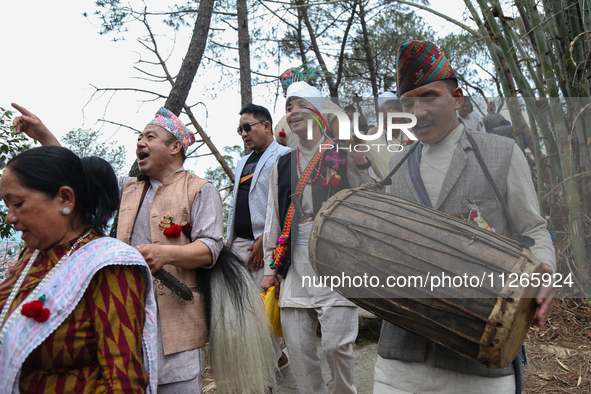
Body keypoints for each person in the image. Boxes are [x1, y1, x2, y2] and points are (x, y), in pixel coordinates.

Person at [373, 40, 556, 394]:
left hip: (479, 360)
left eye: (428, 97)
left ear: (457, 97)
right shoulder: (395, 165)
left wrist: (544, 271)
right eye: (407, 103)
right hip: (399, 364)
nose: (417, 111)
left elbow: (533, 228)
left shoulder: (501, 154)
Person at [11, 104, 224, 393]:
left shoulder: (200, 188)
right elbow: (76, 176)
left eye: (149, 137)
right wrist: (43, 134)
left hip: (177, 324)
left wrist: (166, 253)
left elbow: (210, 248)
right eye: (139, 138)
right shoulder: (127, 186)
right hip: (124, 317)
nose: (140, 142)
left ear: (175, 146)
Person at [0, 146, 157, 393]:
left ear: (65, 199)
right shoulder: (31, 255)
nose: (9, 217)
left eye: (18, 204)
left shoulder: (109, 267)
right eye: (6, 205)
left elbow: (123, 382)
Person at [261, 81, 375, 394]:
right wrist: (271, 269)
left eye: (301, 105)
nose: (293, 111)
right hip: (293, 260)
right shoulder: (281, 163)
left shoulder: (340, 153)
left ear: (319, 114)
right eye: (288, 107)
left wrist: (362, 160)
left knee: (337, 345)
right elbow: (273, 216)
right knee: (297, 349)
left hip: (335, 256)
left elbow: (373, 193)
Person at [226, 103, 290, 369]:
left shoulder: (285, 155)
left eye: (247, 127)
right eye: (239, 129)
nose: (243, 134)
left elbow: (285, 203)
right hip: (237, 244)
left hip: (264, 243)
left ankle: (266, 373)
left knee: (264, 308)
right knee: (246, 307)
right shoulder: (243, 161)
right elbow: (235, 204)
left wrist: (265, 239)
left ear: (266, 126)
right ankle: (276, 359)